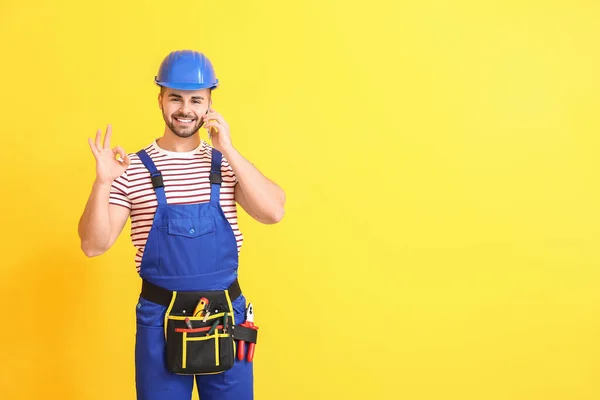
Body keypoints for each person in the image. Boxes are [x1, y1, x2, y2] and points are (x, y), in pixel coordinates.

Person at [77, 49, 286, 400]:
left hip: (225, 317)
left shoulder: (225, 164)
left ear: (209, 105)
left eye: (196, 100)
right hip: (159, 321)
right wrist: (102, 183)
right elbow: (92, 245)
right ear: (160, 99)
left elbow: (273, 212)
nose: (185, 109)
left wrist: (229, 149)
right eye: (175, 98)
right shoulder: (130, 169)